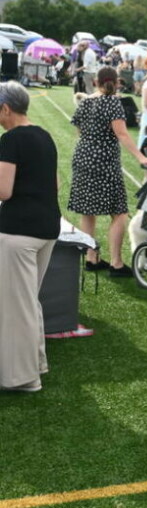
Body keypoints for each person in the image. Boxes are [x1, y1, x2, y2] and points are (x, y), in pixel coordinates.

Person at [0, 83, 61, 392]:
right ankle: (35, 364)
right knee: (27, 301)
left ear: (6, 109)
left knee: (17, 306)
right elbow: (55, 184)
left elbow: (3, 190)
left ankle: (23, 378)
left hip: (19, 231)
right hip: (47, 227)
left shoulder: (10, 140)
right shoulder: (45, 136)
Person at [69, 67, 147, 277]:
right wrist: (141, 157)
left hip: (82, 158)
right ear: (116, 82)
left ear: (96, 81)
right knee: (119, 212)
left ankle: (91, 258)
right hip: (104, 162)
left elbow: (78, 129)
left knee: (88, 211)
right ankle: (116, 263)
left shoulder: (86, 100)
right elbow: (122, 134)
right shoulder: (113, 102)